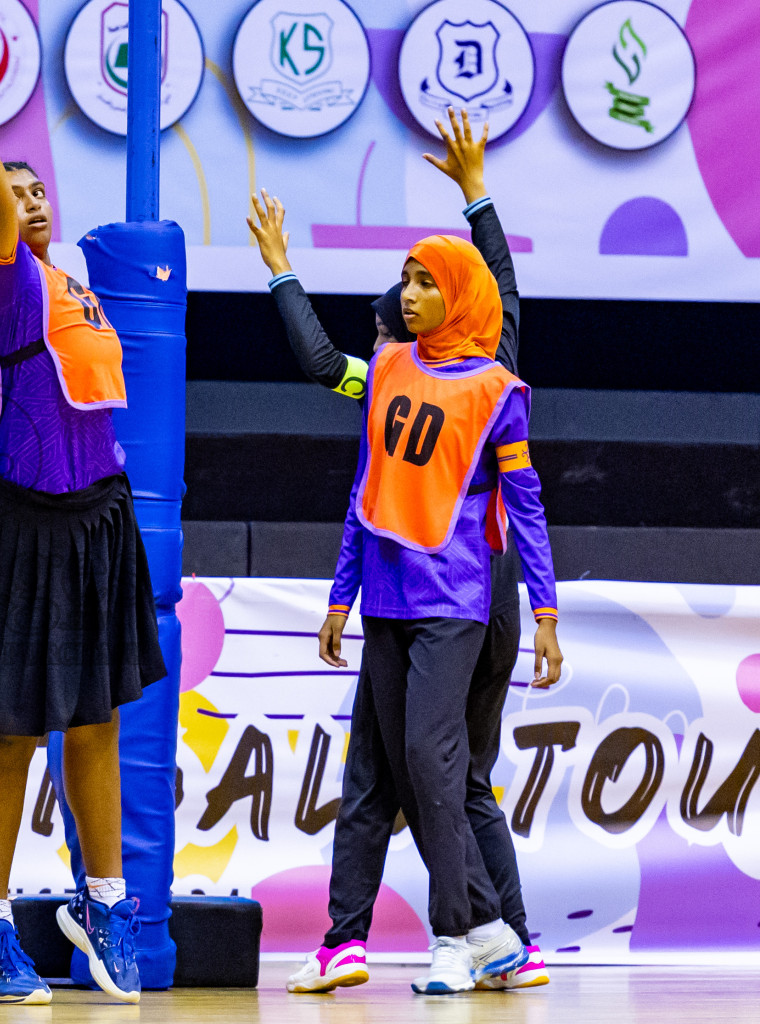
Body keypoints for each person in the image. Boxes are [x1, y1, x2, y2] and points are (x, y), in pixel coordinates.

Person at [249, 109, 548, 992]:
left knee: (448, 773)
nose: (388, 342)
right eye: (387, 327)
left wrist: (476, 194)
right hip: (406, 589)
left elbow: (504, 288)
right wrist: (281, 273)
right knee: (405, 773)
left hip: (472, 597)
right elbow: (322, 361)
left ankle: (496, 933)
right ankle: (402, 938)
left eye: (406, 311)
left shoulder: (487, 369)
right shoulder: (383, 377)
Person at [0, 46, 167, 1006]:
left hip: (99, 518)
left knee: (99, 718)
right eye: (13, 190)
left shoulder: (74, 284)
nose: (29, 200)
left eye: (41, 192)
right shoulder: (4, 282)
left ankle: (102, 901)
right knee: (6, 733)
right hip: (20, 525)